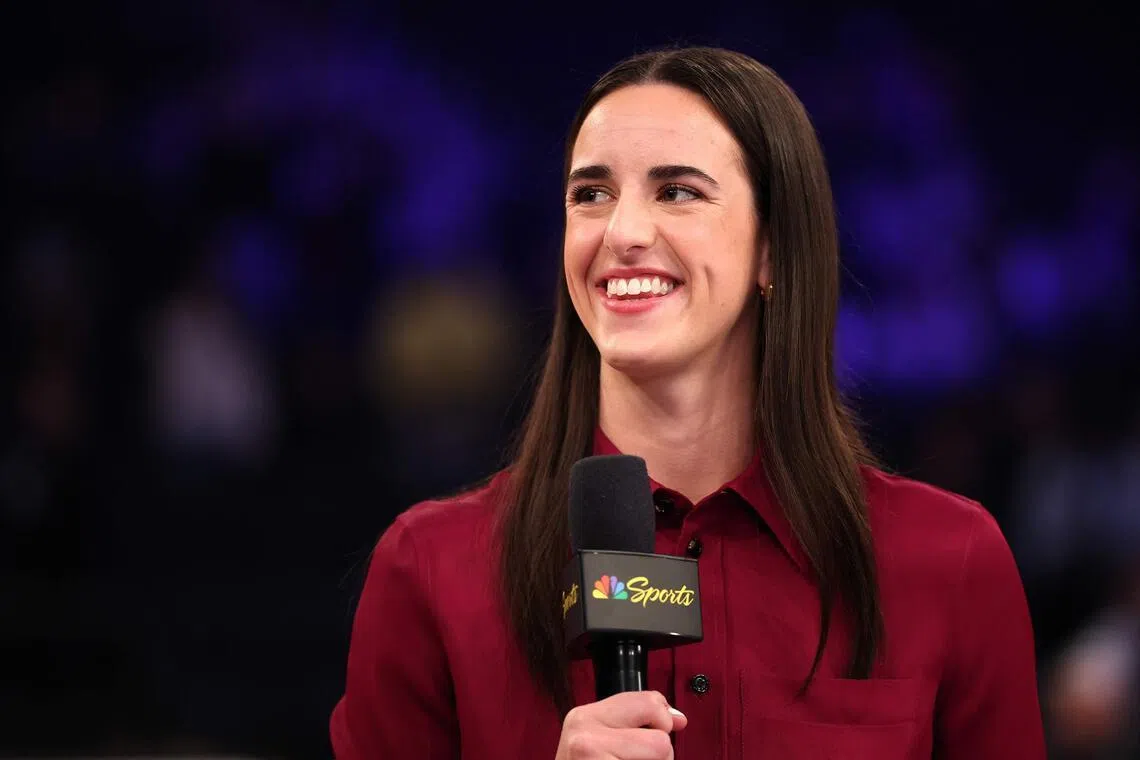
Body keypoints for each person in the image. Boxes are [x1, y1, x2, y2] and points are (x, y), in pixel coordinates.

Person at [330, 46, 1045, 759]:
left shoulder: (947, 561)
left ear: (772, 246)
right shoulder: (431, 569)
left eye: (677, 192)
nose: (622, 233)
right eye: (591, 194)